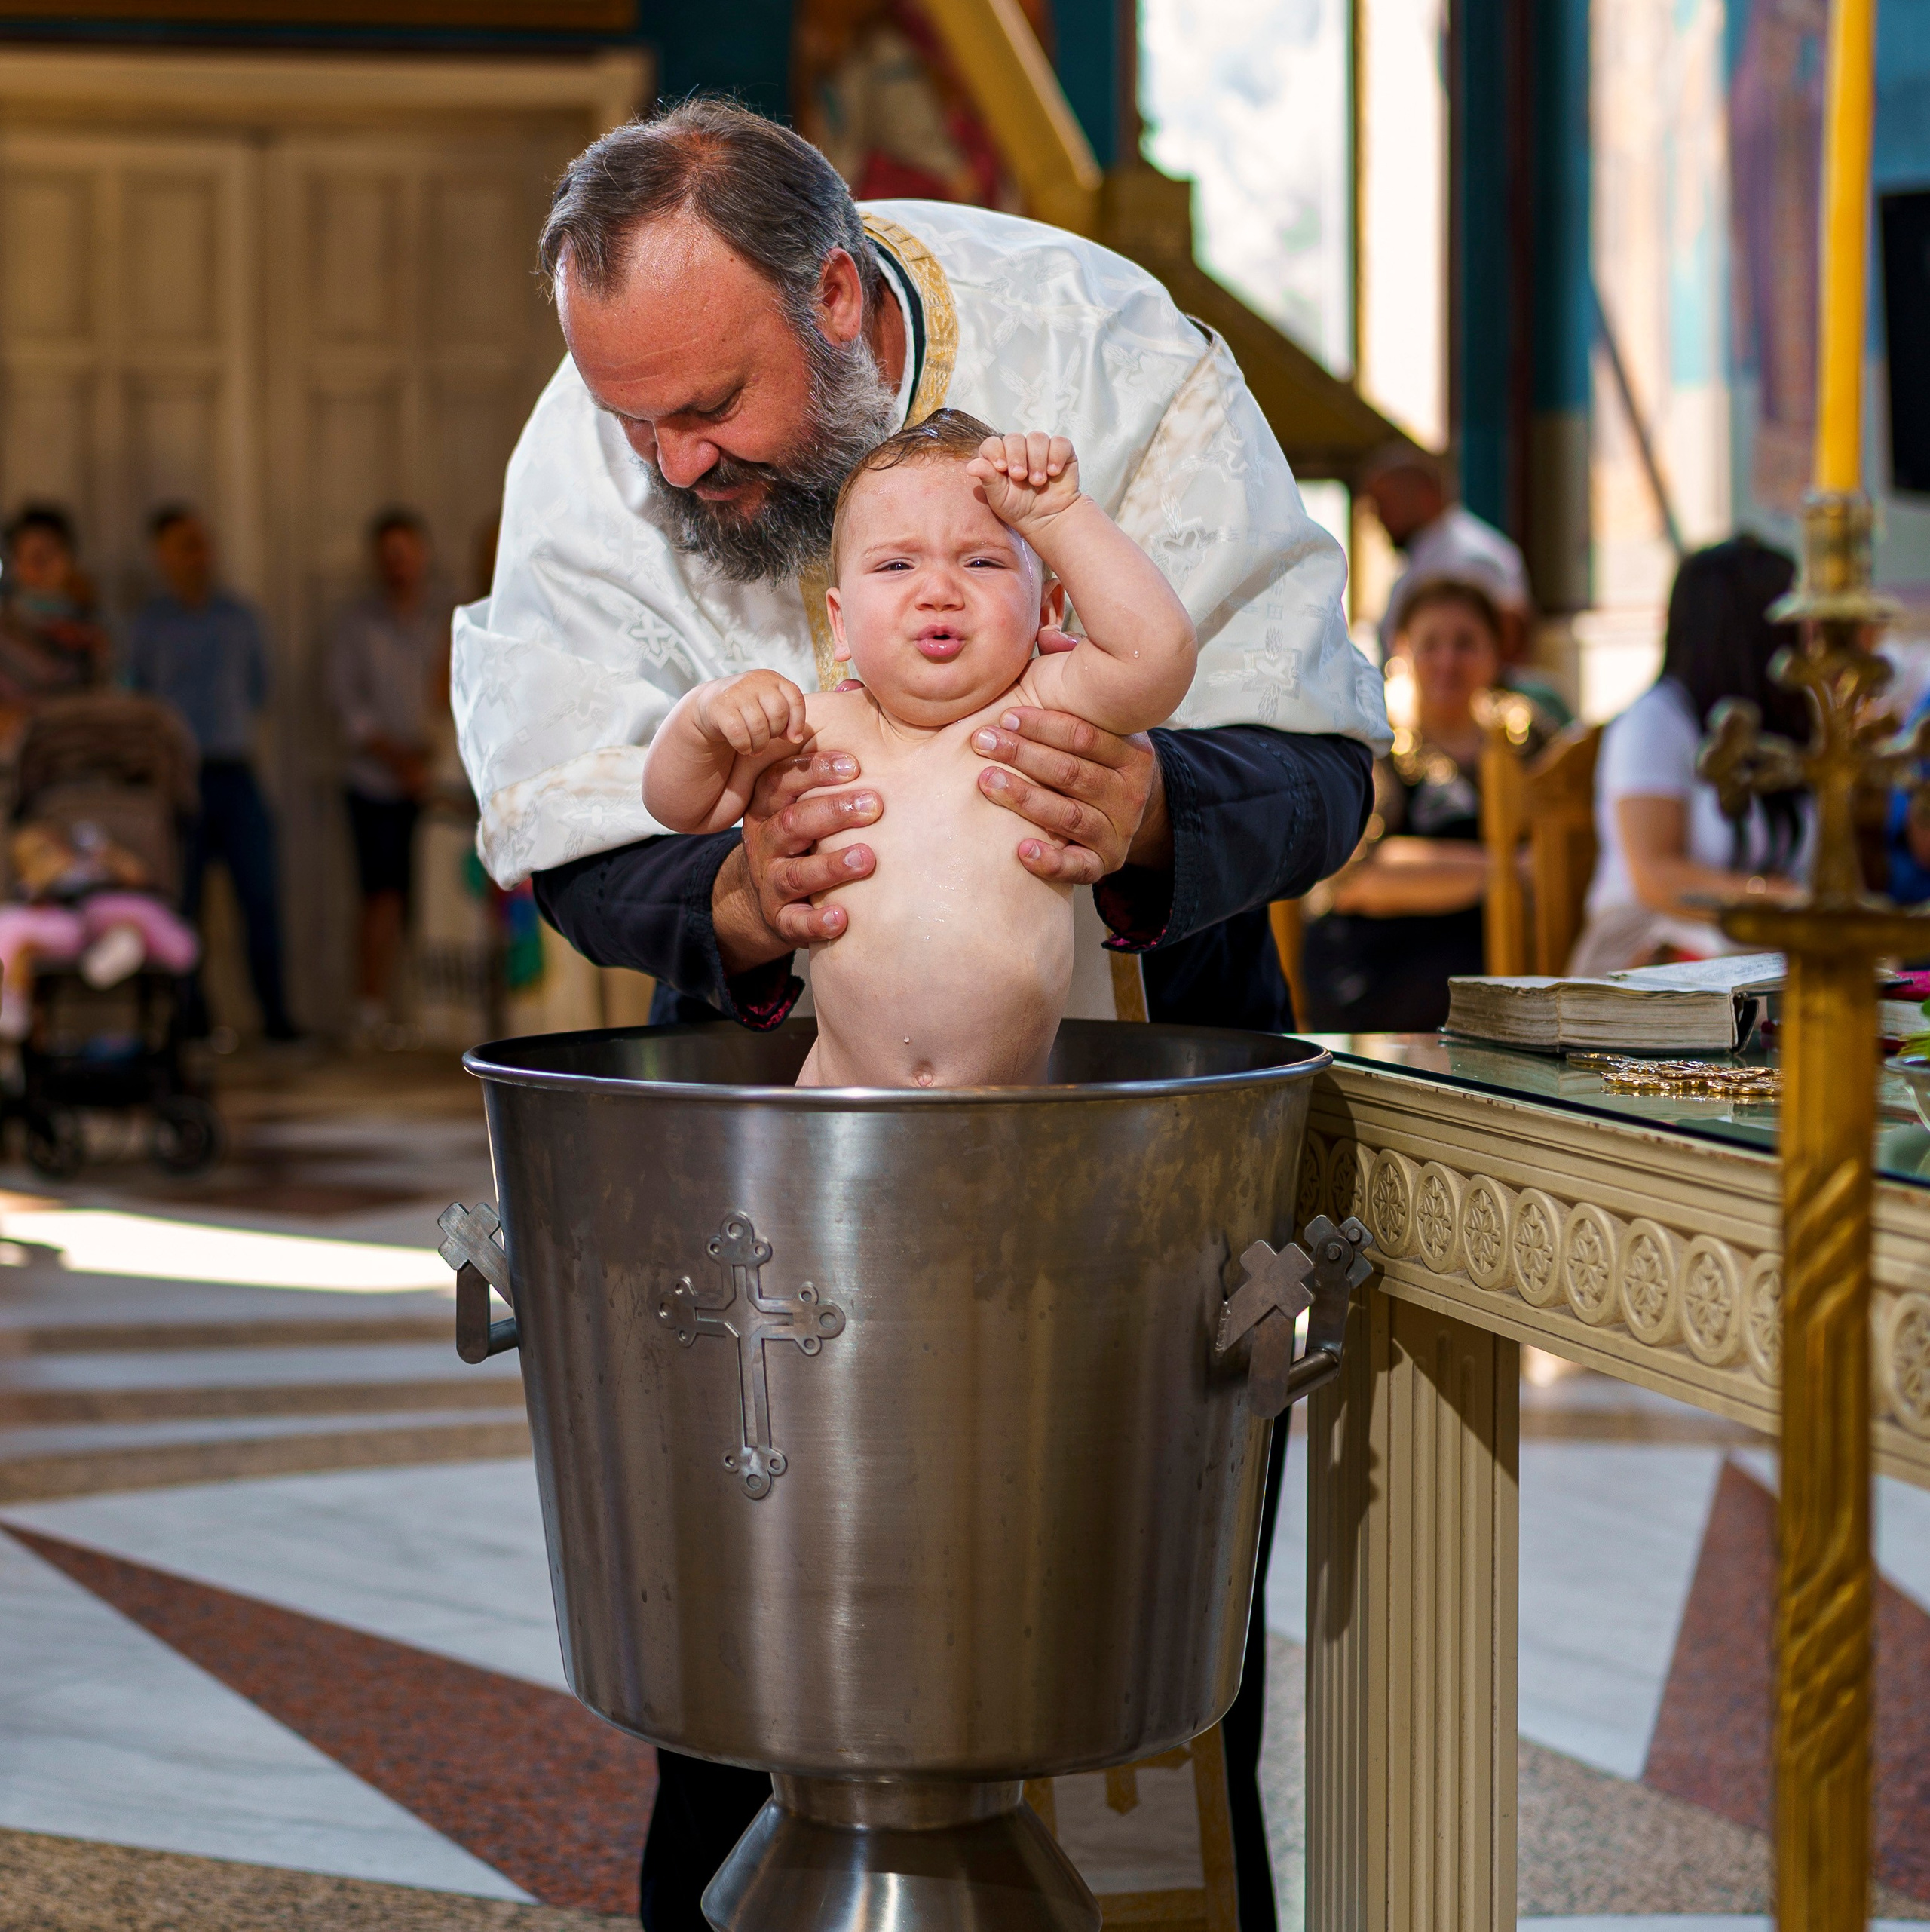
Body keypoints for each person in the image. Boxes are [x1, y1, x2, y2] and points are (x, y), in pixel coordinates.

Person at [452, 100, 1388, 1932]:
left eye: (709, 408)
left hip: (1136, 1135)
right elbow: (567, 809)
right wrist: (725, 895)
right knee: (753, 1654)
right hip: (784, 1148)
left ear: (832, 301)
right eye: (636, 417)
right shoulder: (608, 429)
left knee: (1127, 1628)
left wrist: (1147, 815)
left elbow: (1319, 758)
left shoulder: (1100, 354)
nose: (668, 458)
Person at [646, 414, 1196, 1086]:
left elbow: (1157, 659)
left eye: (983, 561)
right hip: (839, 1109)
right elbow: (679, 804)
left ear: (1048, 613)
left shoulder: (1041, 708)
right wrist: (703, 715)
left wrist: (1060, 515)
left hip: (1007, 1119)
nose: (938, 591)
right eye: (897, 564)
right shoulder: (816, 728)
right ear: (841, 623)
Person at [1301, 578, 1556, 1030]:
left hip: (1504, 977)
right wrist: (1508, 870)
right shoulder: (1375, 743)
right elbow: (1355, 877)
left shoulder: (1526, 735)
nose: (1447, 661)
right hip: (1386, 979)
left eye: (1465, 644)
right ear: (1401, 651)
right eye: (1431, 644)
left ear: (1496, 654)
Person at [1568, 535, 1810, 976]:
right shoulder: (1654, 722)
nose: (1809, 633)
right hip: (1645, 957)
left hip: (1767, 949)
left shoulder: (1795, 726)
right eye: (1795, 617)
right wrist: (1777, 902)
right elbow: (1656, 877)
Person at [125, 505, 301, 1042]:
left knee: (261, 899)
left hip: (236, 771)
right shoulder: (149, 626)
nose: (198, 556)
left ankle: (276, 1019)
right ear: (162, 556)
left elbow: (259, 689)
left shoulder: (239, 617)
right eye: (184, 546)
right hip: (179, 781)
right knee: (184, 905)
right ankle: (192, 1022)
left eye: (203, 544)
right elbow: (138, 701)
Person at [328, 508, 449, 1042]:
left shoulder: (449, 617)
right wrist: (397, 759)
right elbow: (347, 707)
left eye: (406, 553)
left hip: (437, 781)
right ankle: (371, 1010)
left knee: (436, 896)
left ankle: (431, 1010)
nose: (399, 565)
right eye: (389, 556)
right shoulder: (356, 625)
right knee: (381, 895)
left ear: (421, 554)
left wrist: (431, 758)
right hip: (375, 781)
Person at [1362, 447, 1571, 725]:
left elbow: (1511, 641)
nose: (1377, 517)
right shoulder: (1420, 557)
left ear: (1427, 496)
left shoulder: (1472, 557)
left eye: (1385, 502)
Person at [0, 504, 110, 704]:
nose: (42, 567)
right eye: (34, 557)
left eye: (51, 554)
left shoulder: (92, 627)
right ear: (15, 564)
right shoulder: (6, 629)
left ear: (70, 558)